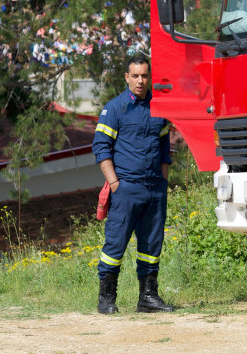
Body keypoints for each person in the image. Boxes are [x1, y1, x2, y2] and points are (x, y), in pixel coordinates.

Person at [92, 55, 177, 314]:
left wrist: (162, 180)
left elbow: (164, 147)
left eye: (144, 76)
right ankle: (106, 299)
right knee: (115, 244)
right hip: (126, 188)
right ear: (127, 77)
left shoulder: (159, 106)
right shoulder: (114, 108)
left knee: (152, 245)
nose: (140, 81)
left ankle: (148, 297)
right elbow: (100, 148)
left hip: (154, 189)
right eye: (135, 76)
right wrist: (115, 183)